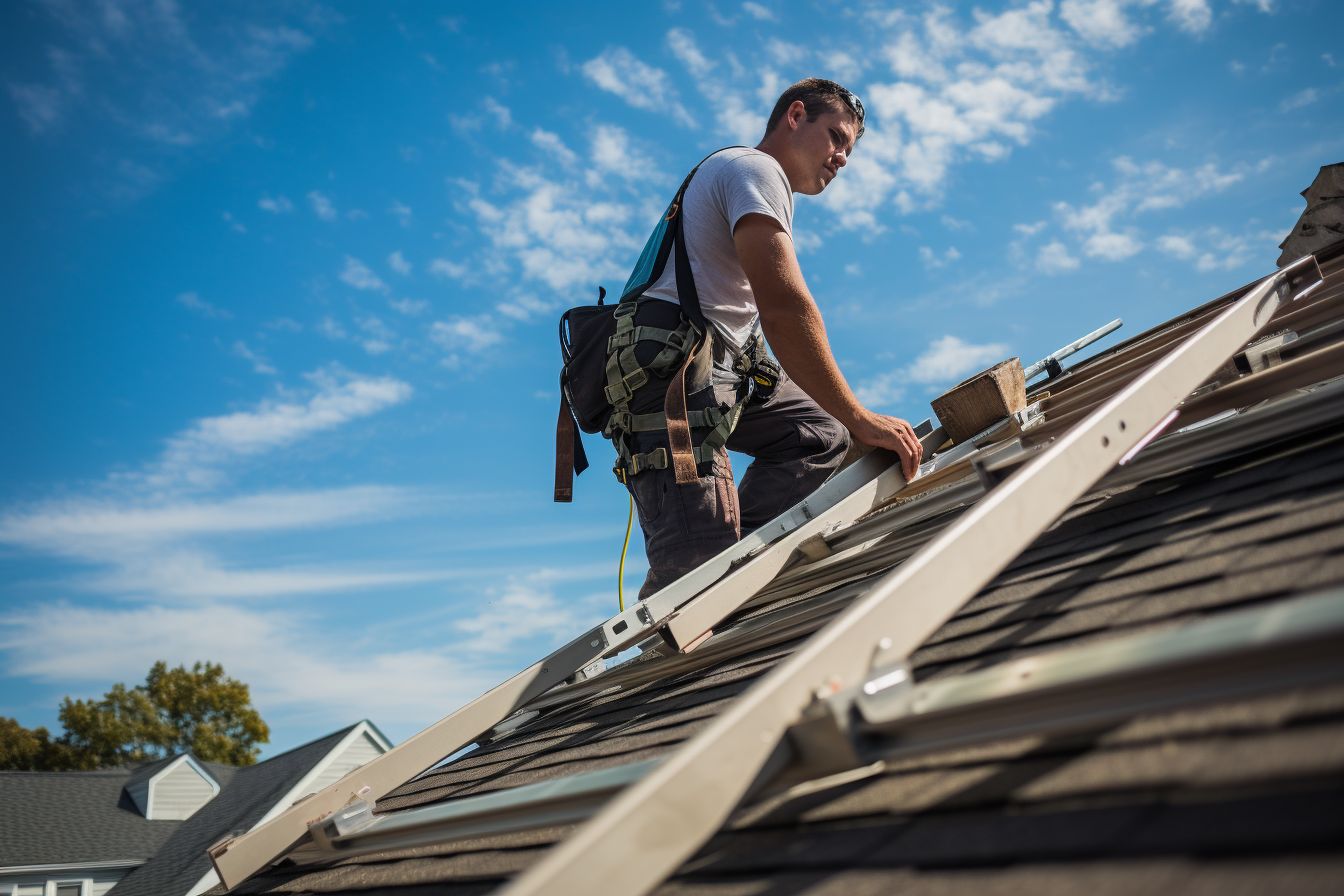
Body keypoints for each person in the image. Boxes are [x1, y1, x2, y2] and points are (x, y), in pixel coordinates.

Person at [617, 77, 923, 599]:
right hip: (671, 385)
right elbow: (785, 310)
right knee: (697, 594)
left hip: (714, 370)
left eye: (849, 149)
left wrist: (846, 422)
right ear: (796, 115)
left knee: (820, 433)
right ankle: (695, 573)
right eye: (835, 137)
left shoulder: (749, 180)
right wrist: (861, 414)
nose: (842, 158)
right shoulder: (754, 170)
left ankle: (729, 556)